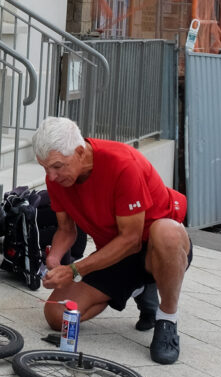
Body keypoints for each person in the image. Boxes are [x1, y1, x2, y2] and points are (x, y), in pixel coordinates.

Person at [32, 117, 191, 364]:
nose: (50, 177)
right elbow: (66, 230)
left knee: (166, 232)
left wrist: (73, 269)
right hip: (117, 252)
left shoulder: (122, 164)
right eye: (45, 168)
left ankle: (167, 319)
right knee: (56, 315)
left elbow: (132, 240)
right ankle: (138, 286)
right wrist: (53, 259)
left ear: (80, 152)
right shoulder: (58, 178)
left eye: (57, 166)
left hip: (155, 247)